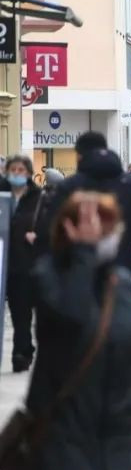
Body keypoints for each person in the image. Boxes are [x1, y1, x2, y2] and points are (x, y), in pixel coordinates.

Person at [13, 192, 131, 470]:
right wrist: (83, 255)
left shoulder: (119, 285)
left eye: (107, 228)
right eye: (93, 227)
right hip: (60, 424)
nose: (102, 236)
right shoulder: (47, 276)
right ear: (70, 230)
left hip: (116, 427)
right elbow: (72, 319)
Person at [38, 131, 131, 282]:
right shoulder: (130, 186)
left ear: (79, 155)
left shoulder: (69, 187)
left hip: (75, 271)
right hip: (120, 270)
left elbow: (51, 228)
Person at [2, 156, 46, 372]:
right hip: (5, 263)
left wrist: (39, 237)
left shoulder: (39, 198)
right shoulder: (2, 195)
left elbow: (49, 226)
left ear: (29, 173)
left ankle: (22, 352)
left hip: (29, 263)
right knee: (18, 311)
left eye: (21, 170)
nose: (17, 173)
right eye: (13, 169)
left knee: (25, 311)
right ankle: (22, 350)